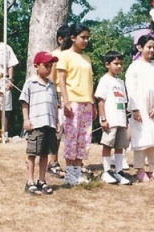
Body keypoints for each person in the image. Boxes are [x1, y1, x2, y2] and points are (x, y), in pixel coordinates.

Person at [126, 35, 154, 183]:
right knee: (141, 139)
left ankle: (153, 169)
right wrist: (135, 109)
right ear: (140, 47)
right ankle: (140, 169)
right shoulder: (134, 67)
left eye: (153, 48)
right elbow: (130, 89)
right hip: (140, 107)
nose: (151, 50)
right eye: (148, 47)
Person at [57, 23, 95, 186]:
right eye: (82, 37)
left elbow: (89, 82)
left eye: (87, 37)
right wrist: (65, 102)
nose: (85, 40)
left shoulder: (86, 58)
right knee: (71, 138)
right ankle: (70, 173)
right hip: (72, 101)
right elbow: (61, 80)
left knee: (84, 139)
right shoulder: (64, 55)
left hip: (86, 102)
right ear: (73, 38)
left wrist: (92, 102)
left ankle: (77, 172)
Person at [20, 51, 59, 195]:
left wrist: (57, 121)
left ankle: (41, 180)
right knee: (32, 153)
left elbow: (55, 104)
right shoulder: (31, 83)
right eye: (45, 66)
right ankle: (29, 181)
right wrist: (26, 119)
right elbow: (25, 102)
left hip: (49, 123)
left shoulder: (52, 85)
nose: (48, 69)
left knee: (45, 154)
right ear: (36, 66)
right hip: (36, 123)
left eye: (51, 66)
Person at [94, 50, 131, 185]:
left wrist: (126, 121)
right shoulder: (105, 80)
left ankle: (119, 171)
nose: (119, 66)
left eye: (121, 64)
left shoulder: (121, 82)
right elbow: (100, 100)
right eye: (116, 63)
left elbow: (123, 102)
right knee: (108, 144)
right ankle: (107, 171)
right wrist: (103, 119)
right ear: (107, 64)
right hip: (110, 119)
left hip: (121, 119)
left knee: (120, 146)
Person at [47, 25, 71, 179]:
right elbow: (51, 79)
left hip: (71, 96)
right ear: (60, 39)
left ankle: (73, 164)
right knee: (57, 130)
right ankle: (53, 162)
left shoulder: (71, 55)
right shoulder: (55, 55)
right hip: (57, 96)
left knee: (70, 131)